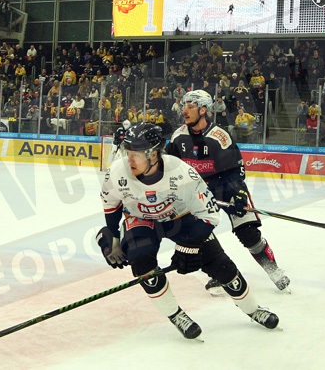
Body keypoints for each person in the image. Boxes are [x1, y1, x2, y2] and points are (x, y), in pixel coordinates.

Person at [97, 123, 279, 339]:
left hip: (181, 217)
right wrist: (112, 234)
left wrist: (189, 246)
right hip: (141, 219)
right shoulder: (117, 172)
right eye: (127, 153)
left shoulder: (181, 173)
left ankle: (253, 309)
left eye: (135, 154)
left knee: (220, 264)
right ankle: (176, 315)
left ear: (153, 154)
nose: (129, 160)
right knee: (141, 261)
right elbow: (111, 204)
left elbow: (210, 215)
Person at [165, 90, 290, 293]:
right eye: (184, 106)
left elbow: (236, 170)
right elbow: (172, 168)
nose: (184, 110)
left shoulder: (219, 137)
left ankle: (273, 269)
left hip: (225, 187)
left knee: (248, 233)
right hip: (197, 193)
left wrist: (238, 194)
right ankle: (221, 272)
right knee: (199, 235)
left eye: (190, 106)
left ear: (203, 110)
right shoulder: (178, 137)